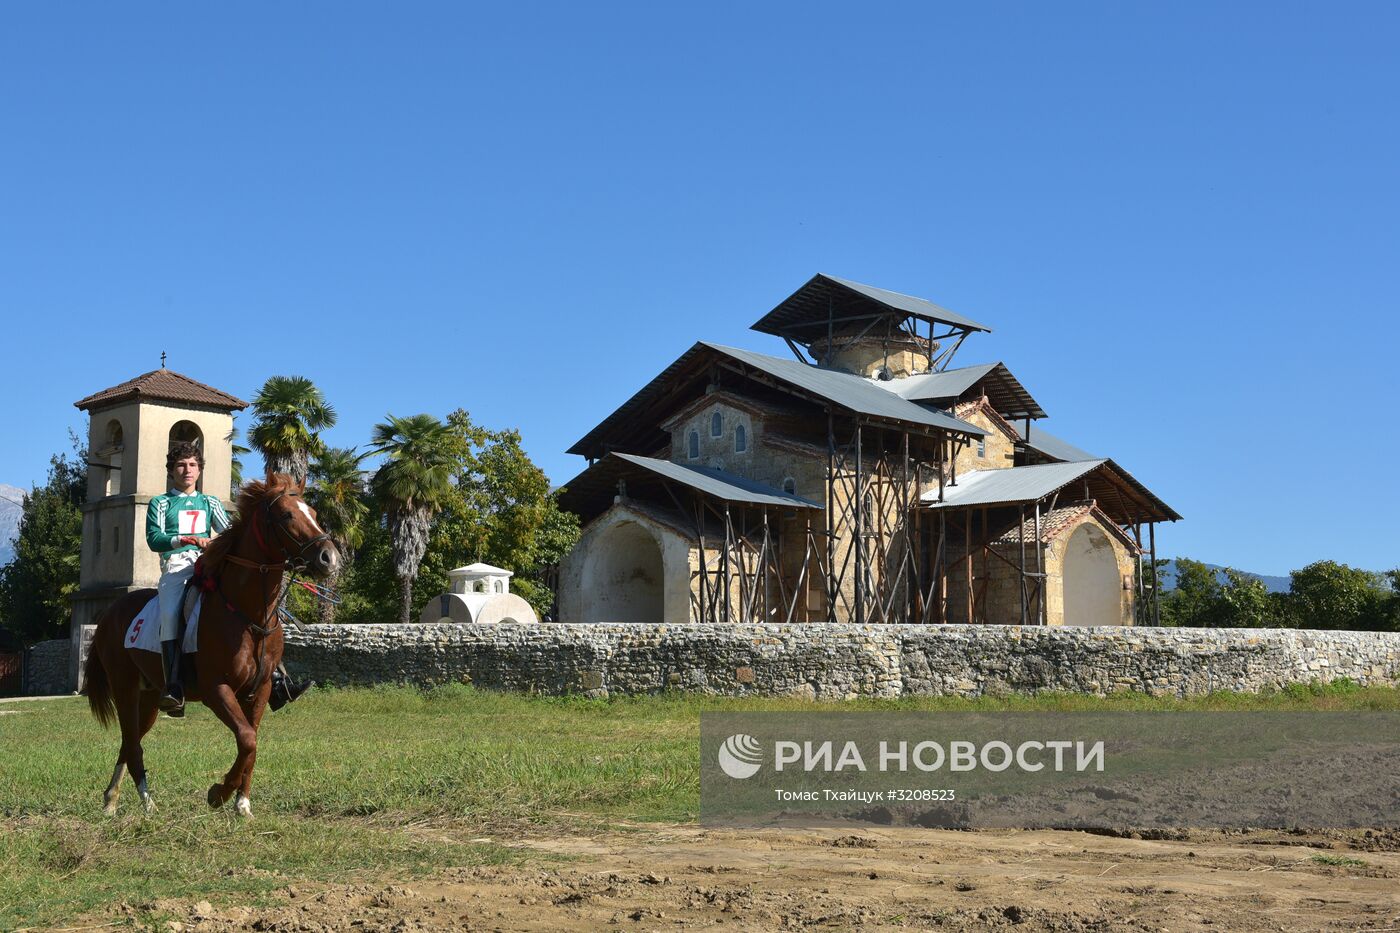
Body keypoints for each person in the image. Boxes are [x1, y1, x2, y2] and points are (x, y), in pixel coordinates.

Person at [146, 441, 230, 715]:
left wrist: (215, 546)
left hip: (209, 563)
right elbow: (154, 539)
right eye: (181, 465)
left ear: (200, 469)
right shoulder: (160, 502)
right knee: (170, 614)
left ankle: (277, 679)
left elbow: (228, 533)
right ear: (171, 470)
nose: (188, 470)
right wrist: (183, 539)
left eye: (193, 465)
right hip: (177, 566)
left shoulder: (210, 502)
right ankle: (173, 686)